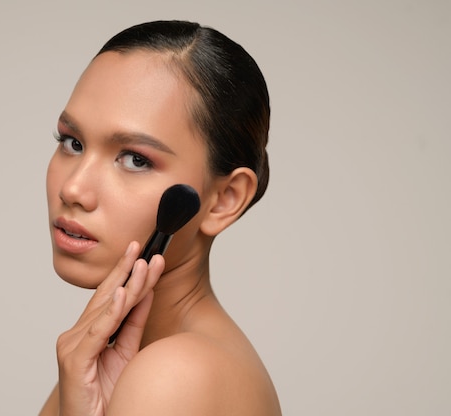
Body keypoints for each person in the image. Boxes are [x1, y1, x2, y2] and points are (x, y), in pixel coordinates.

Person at [40, 20, 280, 416]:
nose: (73, 190)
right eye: (73, 142)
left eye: (136, 159)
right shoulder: (109, 360)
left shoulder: (174, 374)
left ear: (224, 199)